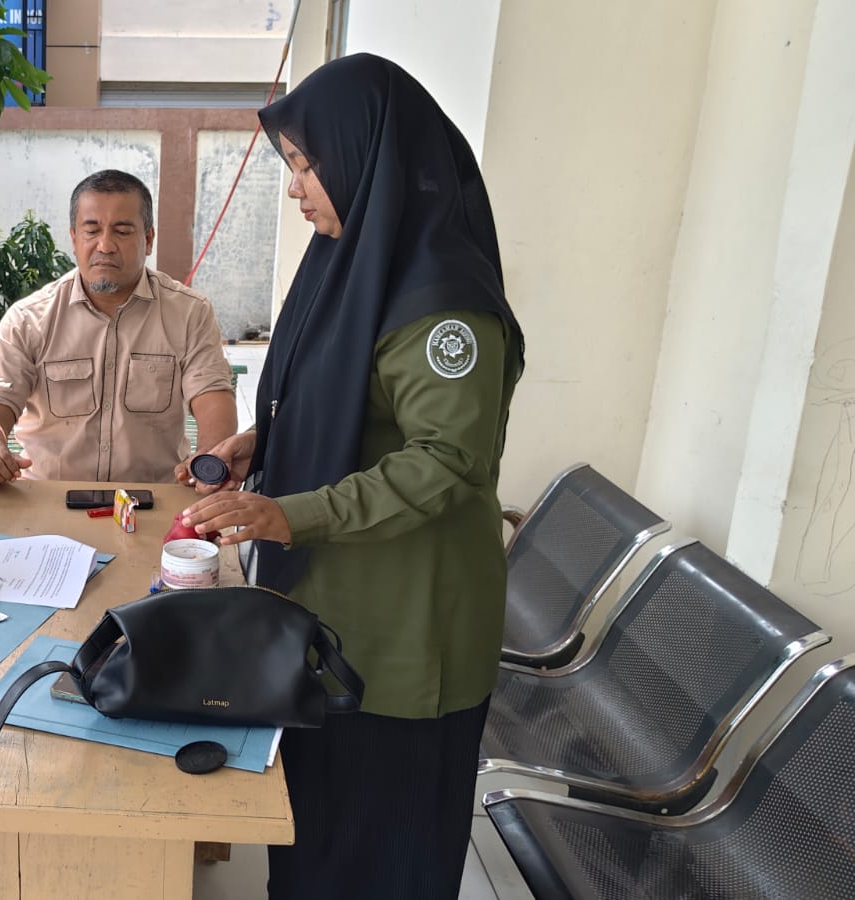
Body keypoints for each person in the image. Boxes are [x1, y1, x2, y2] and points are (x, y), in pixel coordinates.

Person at [180, 54, 525, 899]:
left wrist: (289, 514)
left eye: (307, 164)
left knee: (381, 858)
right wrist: (264, 442)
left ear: (367, 157)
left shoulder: (442, 303)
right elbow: (337, 398)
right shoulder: (354, 265)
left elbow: (445, 460)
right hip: (334, 617)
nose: (297, 189)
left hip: (406, 635)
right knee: (317, 844)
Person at [0, 170, 237, 486]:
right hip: (47, 500)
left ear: (148, 239)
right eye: (91, 230)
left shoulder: (190, 313)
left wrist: (209, 458)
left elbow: (213, 396)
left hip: (153, 499)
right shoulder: (28, 319)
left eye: (122, 231)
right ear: (74, 238)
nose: (105, 246)